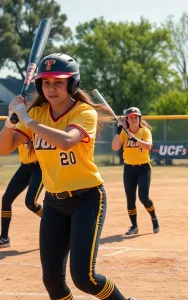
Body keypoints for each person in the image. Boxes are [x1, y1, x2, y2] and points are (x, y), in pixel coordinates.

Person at [0, 53, 135, 300]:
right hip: (53, 203)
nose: (51, 88)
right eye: (46, 82)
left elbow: (65, 141)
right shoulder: (38, 113)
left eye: (59, 82)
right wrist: (10, 123)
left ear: (72, 84)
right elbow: (3, 148)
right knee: (52, 281)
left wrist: (27, 119)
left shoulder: (83, 112)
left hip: (88, 199)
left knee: (85, 279)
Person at [112, 107, 160, 235]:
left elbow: (148, 147)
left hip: (143, 167)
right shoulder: (123, 132)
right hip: (129, 169)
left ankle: (154, 218)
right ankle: (134, 226)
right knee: (130, 199)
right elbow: (115, 147)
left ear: (139, 119)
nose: (133, 119)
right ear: (127, 119)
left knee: (143, 197)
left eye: (135, 117)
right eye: (130, 117)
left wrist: (135, 140)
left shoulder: (145, 131)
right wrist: (118, 131)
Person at [0, 142, 43, 248]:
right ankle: (4, 238)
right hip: (24, 166)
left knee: (30, 203)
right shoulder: (19, 127)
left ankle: (55, 220)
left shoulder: (38, 125)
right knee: (6, 199)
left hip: (40, 167)